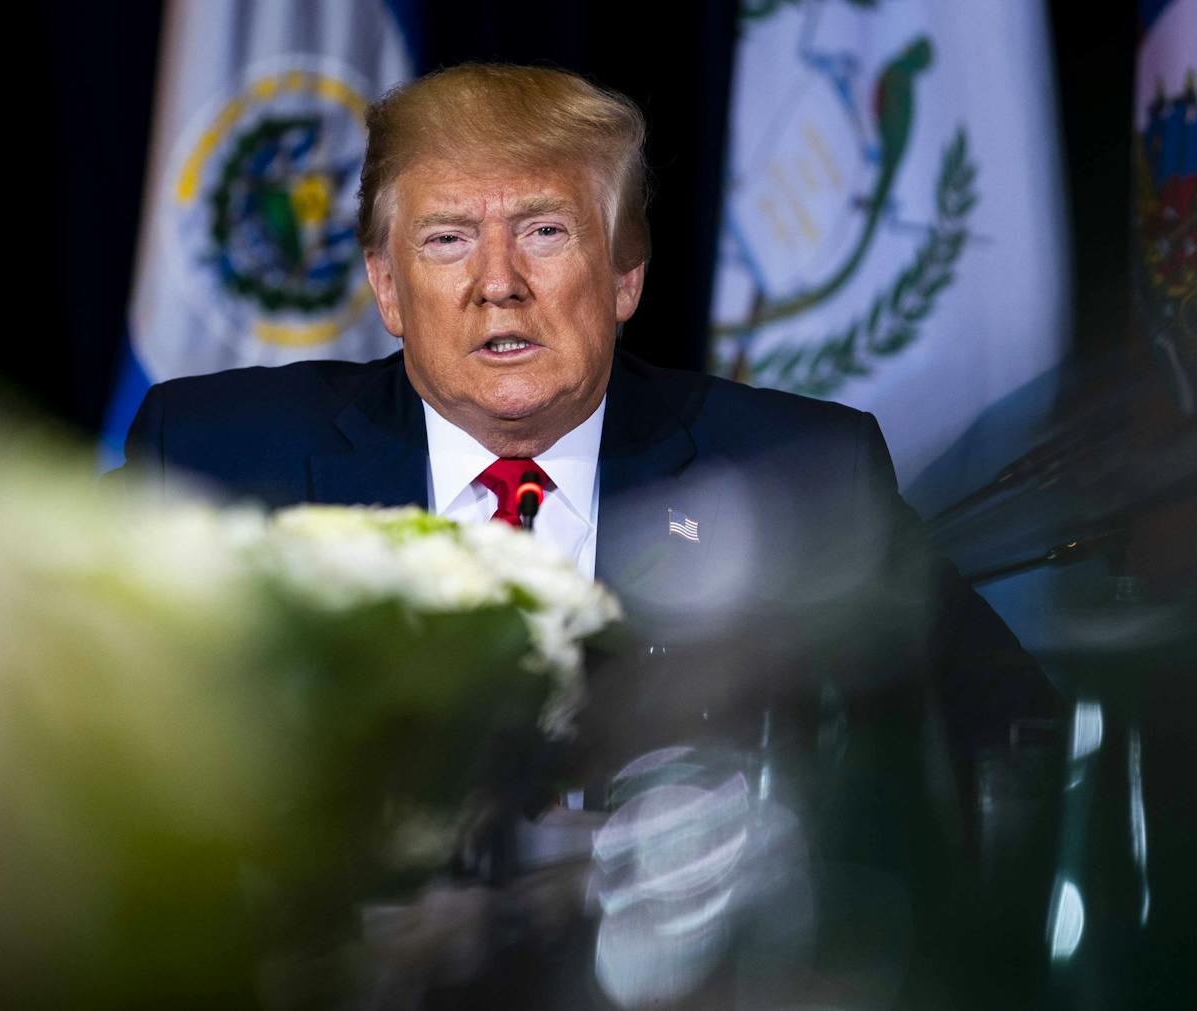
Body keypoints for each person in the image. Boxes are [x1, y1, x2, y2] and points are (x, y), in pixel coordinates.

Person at [120, 64, 1060, 1005]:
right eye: (447, 239)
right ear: (387, 287)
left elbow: (1016, 747)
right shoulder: (220, 460)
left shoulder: (796, 468)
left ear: (623, 275)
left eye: (544, 232)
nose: (498, 285)